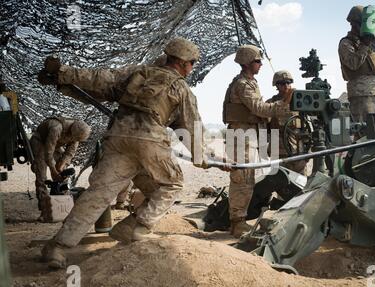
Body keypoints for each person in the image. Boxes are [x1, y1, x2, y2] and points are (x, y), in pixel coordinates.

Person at [39, 37, 214, 268]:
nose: (192, 68)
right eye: (192, 63)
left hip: (119, 137)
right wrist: (204, 159)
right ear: (184, 63)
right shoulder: (181, 88)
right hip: (149, 141)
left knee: (99, 193)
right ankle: (136, 228)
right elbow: (191, 129)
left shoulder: (139, 73)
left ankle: (58, 248)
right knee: (172, 184)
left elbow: (101, 79)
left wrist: (63, 74)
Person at [223, 45, 293, 238]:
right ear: (247, 63)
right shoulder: (243, 84)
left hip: (248, 135)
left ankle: (239, 220)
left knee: (248, 179)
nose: (261, 64)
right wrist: (283, 103)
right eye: (257, 61)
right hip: (242, 136)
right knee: (242, 180)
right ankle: (237, 223)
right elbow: (259, 109)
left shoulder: (250, 83)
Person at [338, 5, 375, 125]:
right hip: (362, 94)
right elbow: (353, 64)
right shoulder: (346, 43)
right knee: (366, 131)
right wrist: (364, 45)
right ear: (355, 23)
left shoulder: (370, 39)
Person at [30, 117, 91, 222]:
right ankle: (45, 211)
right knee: (42, 175)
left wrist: (62, 165)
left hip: (56, 144)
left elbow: (70, 153)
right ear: (72, 131)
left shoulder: (76, 133)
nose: (74, 140)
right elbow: (48, 153)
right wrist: (53, 170)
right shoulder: (56, 128)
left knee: (63, 174)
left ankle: (63, 206)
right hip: (40, 142)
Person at [266, 70, 307, 174]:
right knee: (280, 182)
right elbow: (264, 128)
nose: (286, 85)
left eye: (288, 83)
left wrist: (308, 151)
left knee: (301, 182)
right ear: (276, 85)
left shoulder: (299, 102)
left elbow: (307, 126)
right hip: (278, 151)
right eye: (282, 83)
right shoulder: (270, 104)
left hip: (297, 149)